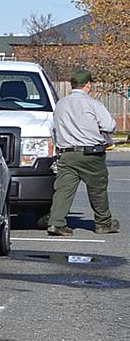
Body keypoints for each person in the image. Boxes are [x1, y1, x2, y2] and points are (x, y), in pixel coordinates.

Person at [46, 69, 118, 235]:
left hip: (67, 154)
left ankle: (56, 222)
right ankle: (103, 223)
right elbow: (110, 126)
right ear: (88, 85)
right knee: (97, 189)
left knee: (64, 190)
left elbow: (54, 129)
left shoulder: (60, 105)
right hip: (91, 154)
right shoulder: (93, 104)